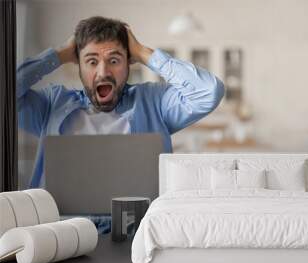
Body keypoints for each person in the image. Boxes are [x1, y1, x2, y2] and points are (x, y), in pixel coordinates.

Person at [17, 16, 225, 189]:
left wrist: (144, 53)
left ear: (129, 62)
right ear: (77, 64)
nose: (103, 72)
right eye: (91, 61)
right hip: (64, 229)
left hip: (137, 230)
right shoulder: (52, 105)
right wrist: (59, 54)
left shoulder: (154, 103)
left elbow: (208, 92)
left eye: (114, 60)